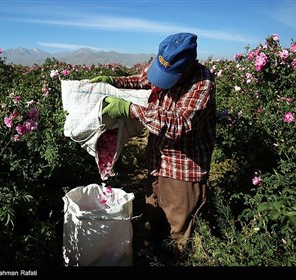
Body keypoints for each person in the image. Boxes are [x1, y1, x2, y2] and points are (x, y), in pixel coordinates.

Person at [90, 32, 217, 255]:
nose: (161, 78)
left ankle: (174, 260)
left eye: (170, 75)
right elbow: (141, 81)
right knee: (155, 216)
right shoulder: (164, 63)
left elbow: (179, 123)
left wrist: (130, 109)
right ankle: (157, 256)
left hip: (181, 170)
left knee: (177, 230)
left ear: (188, 66)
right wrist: (113, 81)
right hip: (157, 161)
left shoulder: (202, 83)